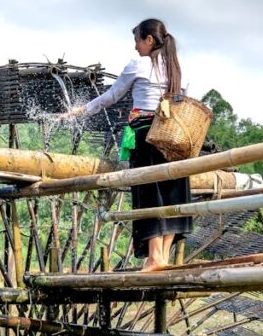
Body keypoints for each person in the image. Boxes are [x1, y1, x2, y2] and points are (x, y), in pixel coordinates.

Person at [63, 18, 191, 271]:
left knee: (148, 193)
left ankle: (154, 258)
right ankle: (163, 256)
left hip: (146, 135)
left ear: (149, 40)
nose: (135, 47)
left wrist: (79, 111)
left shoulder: (140, 64)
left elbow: (111, 96)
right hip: (173, 136)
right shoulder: (177, 68)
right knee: (170, 194)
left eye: (137, 41)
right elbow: (183, 100)